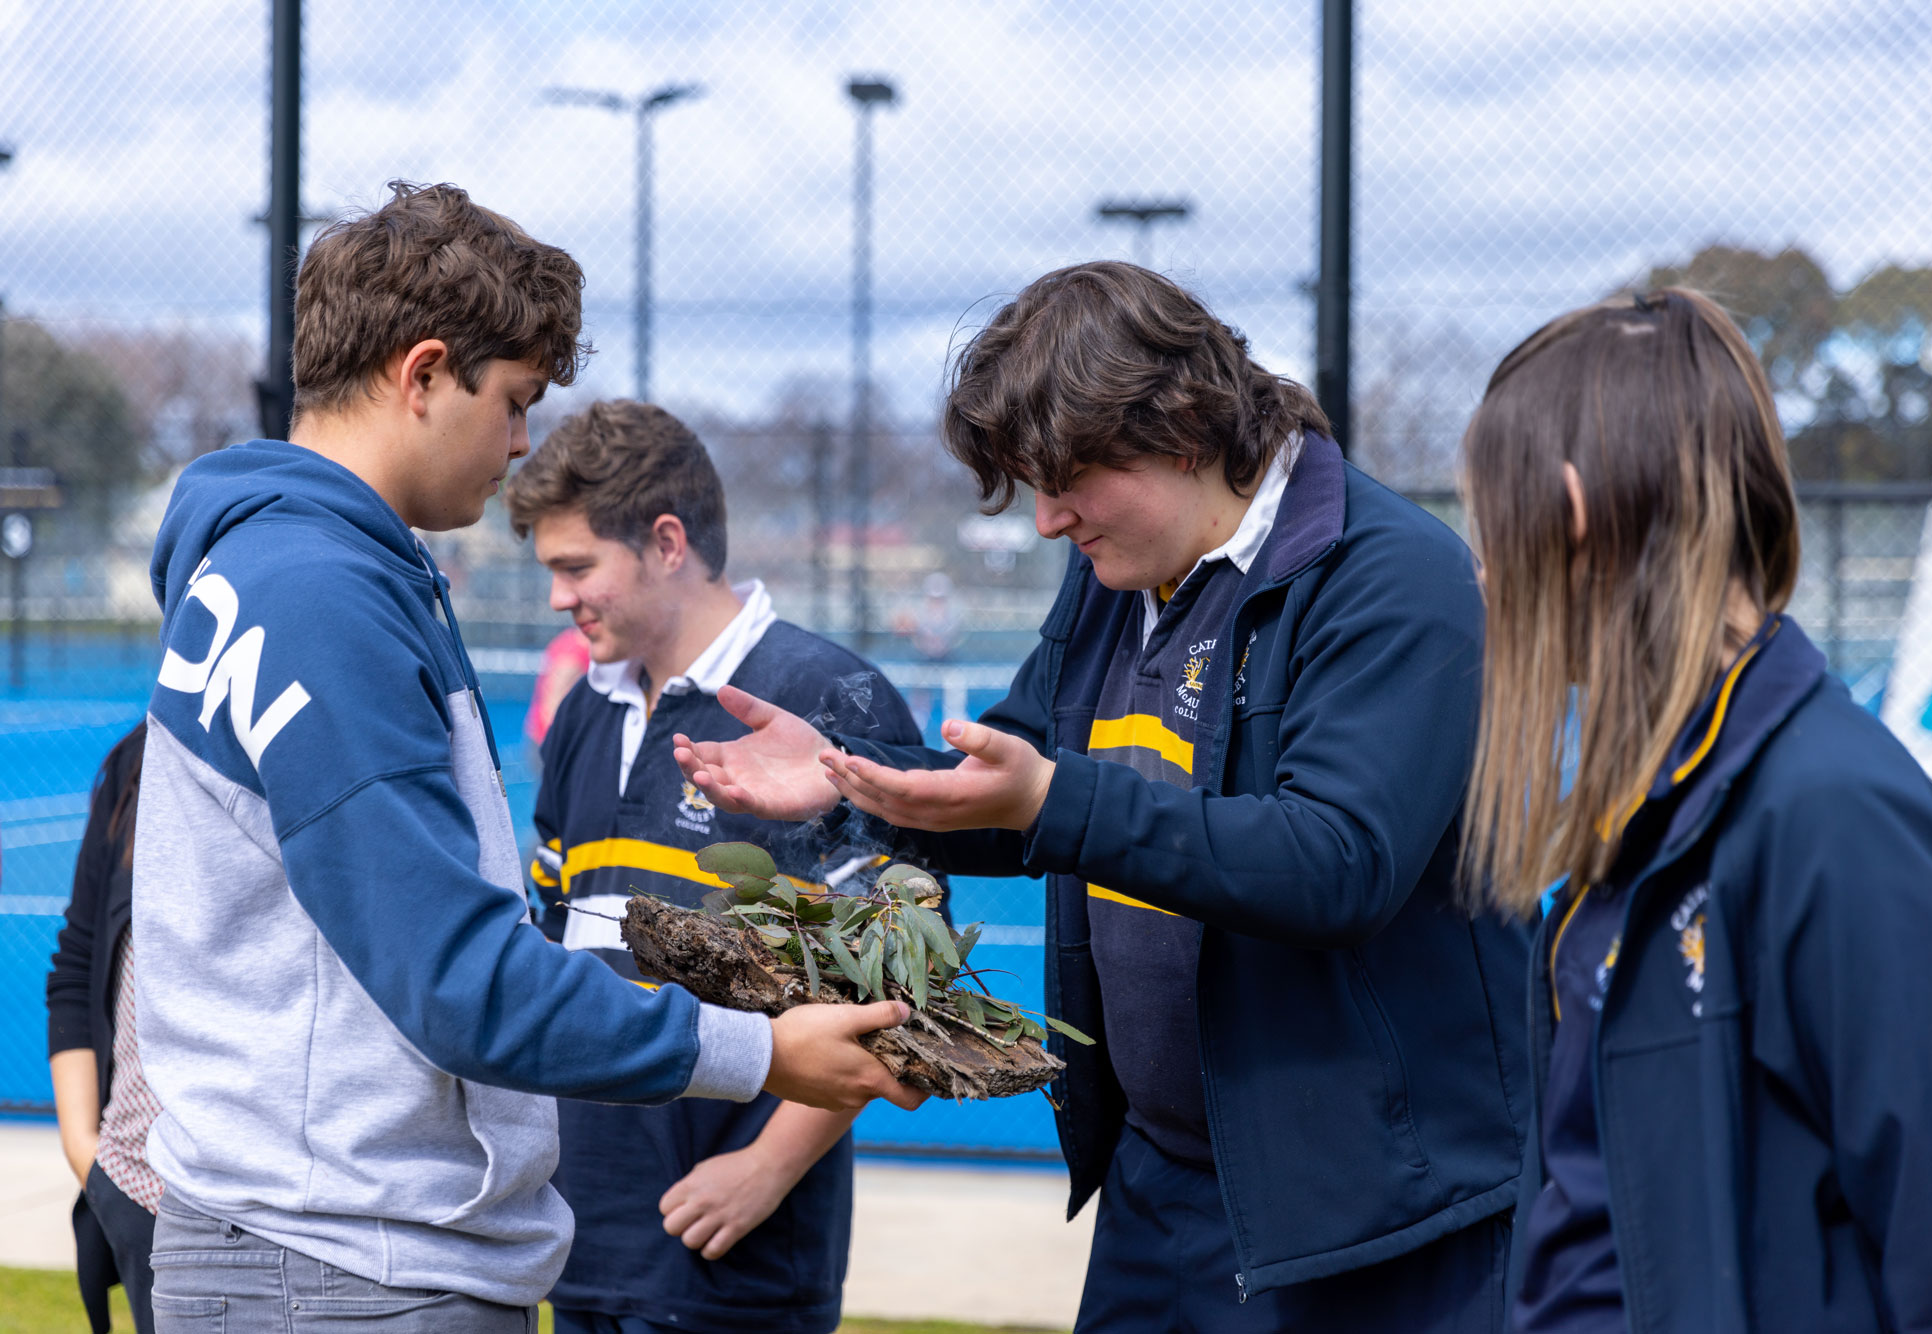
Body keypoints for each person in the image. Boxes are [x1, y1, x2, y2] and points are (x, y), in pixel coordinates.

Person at [676, 261, 1529, 1331]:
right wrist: (852, 775)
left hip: (1370, 1216)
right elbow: (1023, 769)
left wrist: (1048, 800)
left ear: (1179, 430)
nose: (1043, 521)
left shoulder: (1391, 576)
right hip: (1157, 1185)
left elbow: (1336, 861)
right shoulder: (1117, 569)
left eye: (1064, 479)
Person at [133, 182, 921, 1334]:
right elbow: (460, 979)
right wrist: (757, 1049)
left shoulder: (303, 564)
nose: (516, 442)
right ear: (422, 372)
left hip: (327, 1243)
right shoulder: (322, 593)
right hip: (344, 1262)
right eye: (510, 401)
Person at [1459, 288, 1932, 1331]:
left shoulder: (1833, 820)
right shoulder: (1648, 809)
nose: (1483, 577)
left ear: (1572, 515)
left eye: (1492, 532)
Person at [508, 399, 934, 1334]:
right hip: (581, 1234)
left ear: (667, 542)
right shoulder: (583, 709)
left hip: (738, 1253)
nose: (557, 599)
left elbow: (903, 986)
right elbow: (553, 949)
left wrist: (770, 1165)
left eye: (576, 567)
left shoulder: (833, 698)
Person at [47, 722, 161, 1334]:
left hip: (285, 1214)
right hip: (142, 1200)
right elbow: (75, 962)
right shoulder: (135, 767)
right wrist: (89, 1157)